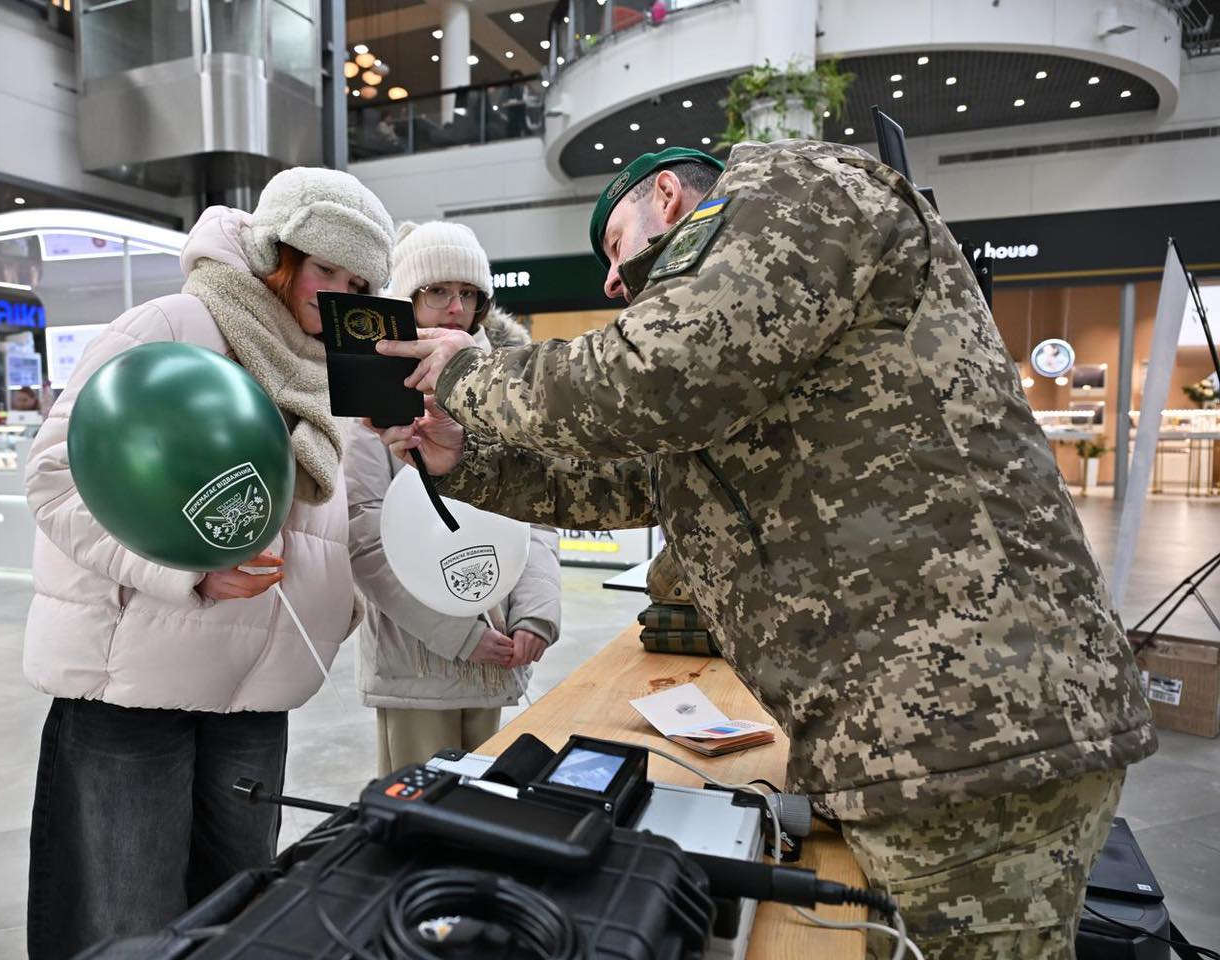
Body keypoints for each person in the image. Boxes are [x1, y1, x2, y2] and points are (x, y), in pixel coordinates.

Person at [370, 144, 1156, 960]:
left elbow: (653, 380)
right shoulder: (751, 346)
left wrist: (472, 376)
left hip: (974, 730)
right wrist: (466, 462)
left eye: (615, 247)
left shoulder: (791, 189)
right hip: (925, 738)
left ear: (668, 196)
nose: (610, 283)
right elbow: (641, 479)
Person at [22, 168, 394, 959]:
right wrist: (186, 571)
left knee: (239, 915)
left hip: (255, 698)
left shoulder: (336, 374)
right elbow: (56, 477)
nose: (337, 296)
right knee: (125, 923)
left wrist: (340, 606)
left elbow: (328, 525)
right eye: (325, 268)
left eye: (358, 284)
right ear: (277, 253)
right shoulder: (176, 324)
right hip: (136, 689)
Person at [344, 221, 561, 775]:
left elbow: (536, 507)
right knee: (421, 809)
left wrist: (536, 613)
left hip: (501, 648)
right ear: (407, 298)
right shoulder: (373, 390)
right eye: (437, 291)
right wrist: (460, 636)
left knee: (492, 802)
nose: (456, 307)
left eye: (469, 293)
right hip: (417, 662)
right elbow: (364, 532)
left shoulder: (506, 384)